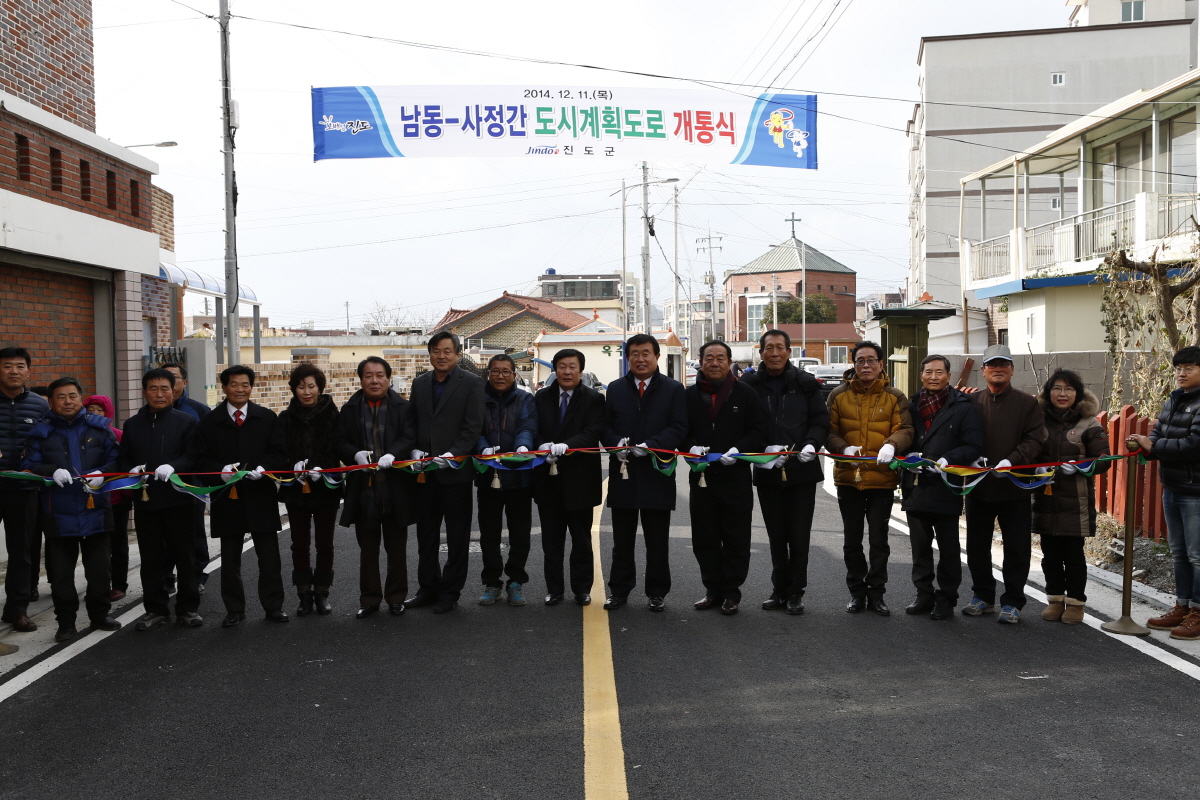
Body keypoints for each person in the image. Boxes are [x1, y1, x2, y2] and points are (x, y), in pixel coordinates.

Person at [22, 377, 122, 643]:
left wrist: (104, 473)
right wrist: (50, 470)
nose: (67, 401)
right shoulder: (41, 432)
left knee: (100, 570)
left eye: (72, 396)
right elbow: (30, 464)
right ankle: (65, 623)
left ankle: (100, 615)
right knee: (62, 575)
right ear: (52, 401)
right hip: (58, 511)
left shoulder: (100, 428)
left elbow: (117, 459)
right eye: (61, 397)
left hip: (96, 508)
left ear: (81, 398)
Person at [192, 365, 289, 627]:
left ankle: (273, 606)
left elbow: (280, 452)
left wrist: (265, 468)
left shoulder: (266, 418)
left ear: (252, 387)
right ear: (224, 388)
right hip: (228, 497)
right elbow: (200, 460)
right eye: (234, 384)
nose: (240, 389)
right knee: (230, 557)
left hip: (260, 495)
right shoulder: (210, 422)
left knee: (269, 556)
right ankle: (234, 609)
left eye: (245, 384)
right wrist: (219, 472)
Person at [741, 329, 829, 615]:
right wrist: (762, 451)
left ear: (789, 352)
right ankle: (779, 589)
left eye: (780, 348)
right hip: (768, 468)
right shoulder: (750, 384)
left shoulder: (806, 383)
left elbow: (820, 421)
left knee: (799, 535)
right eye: (769, 348)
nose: (775, 353)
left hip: (801, 469)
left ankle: (795, 592)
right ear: (761, 351)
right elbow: (745, 424)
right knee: (776, 534)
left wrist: (811, 444)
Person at [825, 341, 914, 616]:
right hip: (848, 478)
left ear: (881, 365)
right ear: (853, 364)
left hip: (882, 480)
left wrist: (892, 444)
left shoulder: (895, 397)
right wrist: (842, 448)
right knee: (852, 540)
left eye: (871, 360)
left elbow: (907, 429)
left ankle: (877, 594)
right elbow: (827, 431)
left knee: (879, 540)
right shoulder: (838, 396)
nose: (866, 365)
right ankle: (856, 593)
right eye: (860, 360)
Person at [601, 333, 688, 612]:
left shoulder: (673, 389)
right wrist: (616, 445)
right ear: (627, 358)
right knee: (621, 540)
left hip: (656, 472)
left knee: (657, 539)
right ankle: (619, 590)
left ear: (657, 356)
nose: (640, 358)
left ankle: (657, 592)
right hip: (624, 472)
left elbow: (679, 426)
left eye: (646, 353)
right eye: (634, 353)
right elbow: (605, 426)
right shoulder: (615, 389)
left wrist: (652, 446)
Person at [963, 344, 1046, 624]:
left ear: (1012, 369)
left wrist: (1012, 460)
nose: (998, 369)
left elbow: (1035, 439)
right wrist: (968, 461)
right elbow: (963, 438)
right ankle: (983, 596)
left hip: (1015, 488)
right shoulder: (972, 403)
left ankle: (1013, 601)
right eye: (992, 365)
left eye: (1004, 364)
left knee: (1017, 548)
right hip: (978, 488)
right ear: (983, 370)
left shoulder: (1027, 403)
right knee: (976, 546)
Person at [683, 340, 767, 615]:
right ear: (700, 361)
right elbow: (680, 429)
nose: (715, 363)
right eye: (709, 358)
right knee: (704, 537)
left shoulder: (745, 393)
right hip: (702, 478)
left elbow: (759, 430)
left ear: (730, 361)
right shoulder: (689, 395)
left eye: (721, 357)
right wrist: (690, 447)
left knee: (736, 537)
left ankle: (731, 593)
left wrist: (739, 449)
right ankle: (712, 590)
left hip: (736, 477)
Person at [405, 332, 485, 614]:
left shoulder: (473, 383)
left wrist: (454, 454)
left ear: (457, 353)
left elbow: (473, 426)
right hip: (425, 473)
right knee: (425, 535)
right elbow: (413, 421)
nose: (441, 356)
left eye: (447, 351)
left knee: (457, 536)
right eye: (436, 351)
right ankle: (427, 588)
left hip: (455, 473)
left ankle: (450, 592)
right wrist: (415, 451)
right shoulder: (420, 383)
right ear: (430, 353)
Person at [118, 369, 203, 629]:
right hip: (147, 502)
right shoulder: (132, 425)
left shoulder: (186, 421)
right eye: (153, 388)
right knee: (151, 558)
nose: (159, 394)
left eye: (165, 388)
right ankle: (156, 609)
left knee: (185, 557)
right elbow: (123, 458)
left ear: (174, 390)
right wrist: (130, 470)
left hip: (180, 500)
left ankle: (187, 609)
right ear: (144, 392)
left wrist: (174, 466)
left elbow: (193, 456)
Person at [899, 355, 982, 621]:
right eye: (928, 372)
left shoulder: (962, 407)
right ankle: (923, 595)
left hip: (946, 486)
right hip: (916, 486)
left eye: (939, 372)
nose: (933, 377)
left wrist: (950, 458)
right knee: (919, 547)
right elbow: (902, 437)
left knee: (948, 549)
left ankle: (946, 598)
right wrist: (906, 460)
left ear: (948, 375)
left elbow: (973, 445)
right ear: (921, 375)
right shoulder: (911, 405)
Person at [337, 356, 415, 619]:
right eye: (368, 375)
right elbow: (341, 441)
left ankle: (396, 597)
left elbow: (409, 436)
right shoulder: (349, 409)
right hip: (363, 491)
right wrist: (353, 454)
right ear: (360, 380)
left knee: (397, 550)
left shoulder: (403, 407)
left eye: (380, 375)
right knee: (367, 551)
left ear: (389, 379)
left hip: (395, 490)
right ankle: (369, 599)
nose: (374, 380)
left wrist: (393, 453)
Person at [1132, 346, 1200, 639]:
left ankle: (1198, 611)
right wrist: (1148, 442)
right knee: (1179, 553)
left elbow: (1194, 445)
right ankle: (1182, 606)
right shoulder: (1174, 400)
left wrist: (1153, 446)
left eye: (1189, 368)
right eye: (1178, 368)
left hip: (1195, 491)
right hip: (1172, 486)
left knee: (1197, 555)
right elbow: (1157, 433)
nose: (1181, 373)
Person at [1032, 369, 1110, 625]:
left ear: (1077, 393)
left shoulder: (1089, 422)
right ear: (1048, 392)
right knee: (1049, 554)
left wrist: (1081, 466)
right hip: (1045, 497)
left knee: (1074, 556)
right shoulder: (1038, 419)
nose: (1062, 394)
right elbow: (1028, 451)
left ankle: (1076, 603)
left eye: (1068, 389)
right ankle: (1054, 600)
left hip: (1075, 500)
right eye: (1056, 388)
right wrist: (1035, 468)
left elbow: (1104, 459)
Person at [533, 348, 605, 606]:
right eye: (562, 366)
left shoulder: (594, 399)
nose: (566, 371)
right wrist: (542, 446)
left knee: (581, 539)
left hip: (580, 479)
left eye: (572, 366)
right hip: (548, 478)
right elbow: (533, 428)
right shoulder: (541, 397)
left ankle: (582, 589)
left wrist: (568, 446)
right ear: (555, 369)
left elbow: (594, 431)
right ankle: (554, 589)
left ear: (581, 370)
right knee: (551, 541)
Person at [278, 363, 344, 617]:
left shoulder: (333, 415)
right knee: (299, 544)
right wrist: (290, 467)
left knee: (325, 543)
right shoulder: (285, 418)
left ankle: (322, 592)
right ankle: (303, 593)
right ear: (294, 389)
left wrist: (326, 469)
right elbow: (279, 453)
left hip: (326, 489)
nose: (307, 392)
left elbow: (340, 448)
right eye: (301, 386)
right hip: (296, 491)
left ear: (320, 387)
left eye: (311, 386)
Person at [475, 354, 538, 607]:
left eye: (506, 371)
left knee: (520, 532)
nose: (500, 375)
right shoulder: (477, 399)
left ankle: (515, 581)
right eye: (495, 371)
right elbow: (474, 428)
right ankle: (492, 583)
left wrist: (523, 448)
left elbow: (527, 426)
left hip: (519, 476)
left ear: (514, 375)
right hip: (488, 475)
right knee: (489, 533)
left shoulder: (525, 399)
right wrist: (483, 449)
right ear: (488, 373)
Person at [0, 347, 47, 635]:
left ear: (28, 371)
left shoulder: (40, 406)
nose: (14, 371)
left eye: (19, 366)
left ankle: (17, 610)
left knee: (22, 551)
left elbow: (47, 444)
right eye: (7, 366)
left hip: (24, 488)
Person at [161, 362, 211, 595]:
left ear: (184, 382)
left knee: (194, 532)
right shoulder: (150, 412)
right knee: (164, 536)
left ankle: (197, 576)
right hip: (161, 486)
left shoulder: (199, 411)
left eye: (173, 377)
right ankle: (166, 576)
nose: (168, 383)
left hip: (192, 484)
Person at [84, 394, 133, 604]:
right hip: (90, 498)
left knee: (118, 542)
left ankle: (119, 584)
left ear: (108, 413)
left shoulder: (118, 435)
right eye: (91, 410)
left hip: (116, 498)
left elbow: (122, 465)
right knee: (93, 545)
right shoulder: (80, 435)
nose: (95, 414)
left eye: (100, 410)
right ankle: (97, 585)